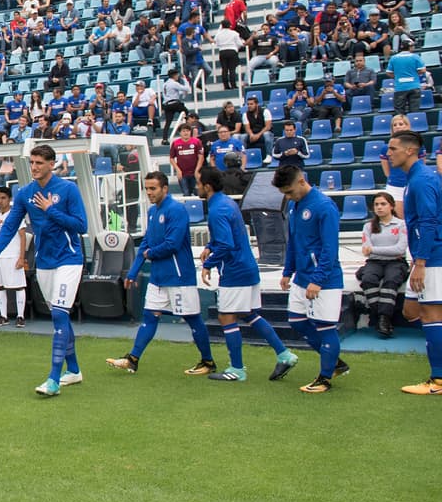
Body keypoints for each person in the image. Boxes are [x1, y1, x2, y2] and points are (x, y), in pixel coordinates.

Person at [0, 144, 89, 397]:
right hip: (45, 262)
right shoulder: (25, 193)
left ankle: (53, 379)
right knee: (59, 316)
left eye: (39, 163)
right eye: (32, 162)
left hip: (69, 260)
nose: (34, 167)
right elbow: (9, 227)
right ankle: (73, 370)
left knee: (60, 315)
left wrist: (50, 210)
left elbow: (81, 225)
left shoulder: (68, 189)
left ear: (52, 164)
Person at [107, 172, 218, 376]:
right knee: (149, 317)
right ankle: (133, 359)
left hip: (178, 277)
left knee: (193, 319)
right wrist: (133, 272)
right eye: (147, 188)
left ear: (165, 188)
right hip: (158, 278)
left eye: (153, 188)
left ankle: (208, 361)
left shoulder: (176, 210)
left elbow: (172, 244)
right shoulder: (151, 211)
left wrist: (150, 253)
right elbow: (146, 243)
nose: (149, 192)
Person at [197, 168, 300, 382]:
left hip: (235, 272)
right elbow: (230, 233)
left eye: (199, 183)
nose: (196, 187)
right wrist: (209, 245)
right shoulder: (227, 203)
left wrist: (209, 263)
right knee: (250, 313)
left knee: (226, 316)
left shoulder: (217, 210)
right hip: (247, 267)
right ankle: (284, 354)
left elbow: (226, 243)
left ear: (207, 186)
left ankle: (237, 369)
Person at [273, 165, 348, 393]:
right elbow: (294, 241)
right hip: (301, 277)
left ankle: (325, 378)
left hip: (324, 280)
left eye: (289, 191)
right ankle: (335, 362)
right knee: (297, 321)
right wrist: (288, 270)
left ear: (301, 181)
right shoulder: (295, 206)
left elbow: (330, 248)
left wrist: (319, 278)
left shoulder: (324, 206)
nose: (287, 197)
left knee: (325, 327)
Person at [386, 131, 442, 395]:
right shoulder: (414, 179)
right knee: (411, 310)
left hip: (432, 258)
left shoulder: (422, 180)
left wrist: (420, 262)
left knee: (431, 314)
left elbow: (430, 221)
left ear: (410, 151)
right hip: (424, 256)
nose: (389, 153)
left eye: (393, 148)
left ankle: (438, 380)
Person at [356, 191, 409, 339]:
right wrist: (376, 252)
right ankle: (382, 317)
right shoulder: (368, 226)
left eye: (383, 204)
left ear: (392, 206)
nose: (379, 207)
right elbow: (367, 253)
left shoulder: (401, 224)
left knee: (391, 280)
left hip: (396, 262)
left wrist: (374, 249)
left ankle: (383, 319)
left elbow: (400, 250)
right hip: (374, 262)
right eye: (376, 204)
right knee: (367, 279)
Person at [0, 186, 28, 328]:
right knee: (0, 287)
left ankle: (20, 316)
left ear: (10, 199)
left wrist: (21, 257)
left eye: (3, 198)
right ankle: (4, 316)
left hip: (13, 256)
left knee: (19, 287)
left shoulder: (16, 215)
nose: (0, 201)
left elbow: (22, 236)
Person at [388, 45, 425, 114]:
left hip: (400, 87)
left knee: (399, 112)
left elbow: (389, 72)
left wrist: (397, 77)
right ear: (410, 48)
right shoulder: (415, 56)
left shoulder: (393, 58)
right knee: (415, 111)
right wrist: (414, 74)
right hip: (414, 85)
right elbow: (422, 70)